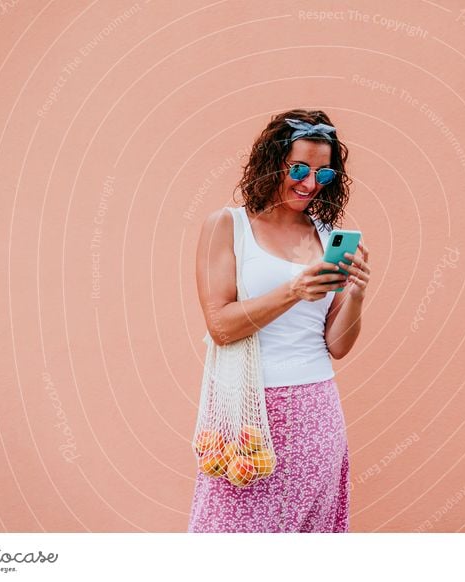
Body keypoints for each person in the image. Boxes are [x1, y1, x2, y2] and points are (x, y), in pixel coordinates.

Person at [188, 109, 371, 532]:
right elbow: (220, 326)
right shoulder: (227, 226)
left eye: (324, 175)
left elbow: (337, 346)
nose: (310, 184)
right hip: (247, 416)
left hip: (316, 413)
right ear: (272, 163)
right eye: (300, 169)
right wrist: (293, 291)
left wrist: (357, 293)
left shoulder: (327, 237)